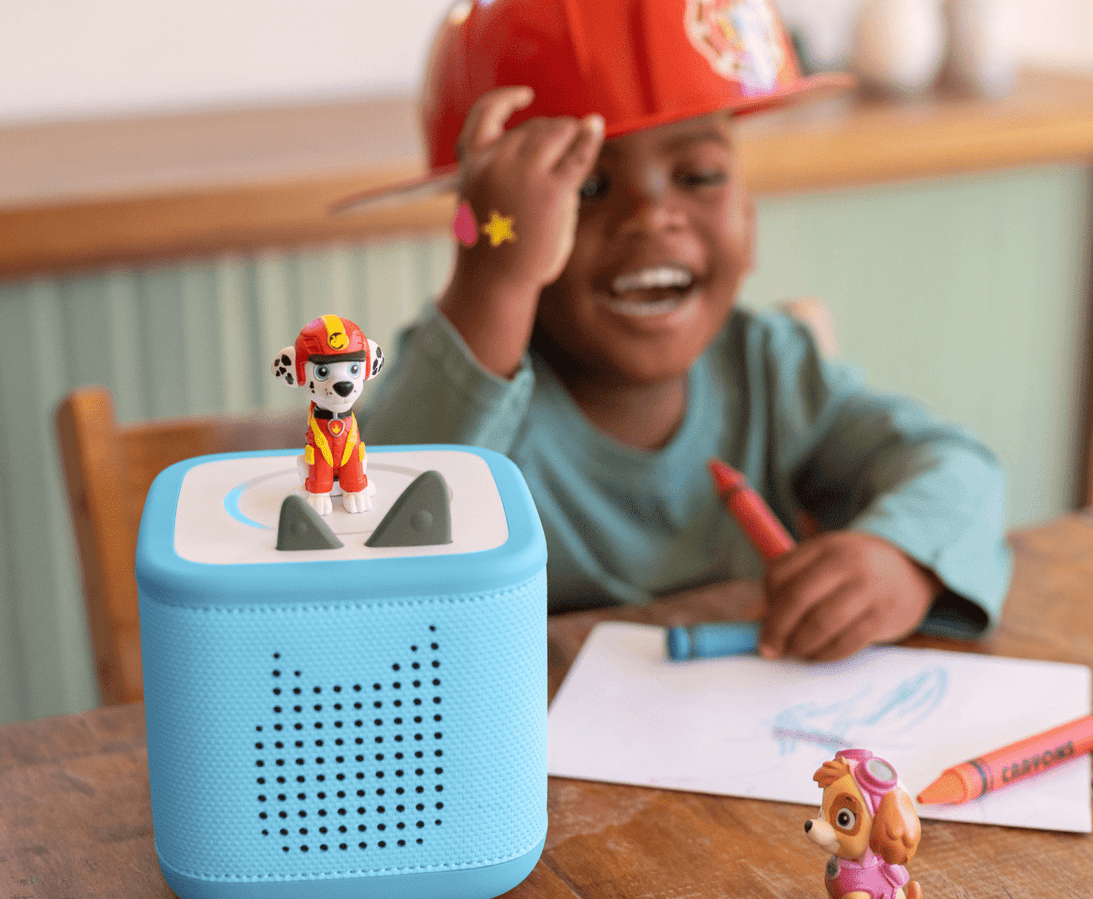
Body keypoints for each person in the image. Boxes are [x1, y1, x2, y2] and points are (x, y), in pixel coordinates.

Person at [363, 0, 1011, 661]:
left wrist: (901, 560)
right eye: (585, 187)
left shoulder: (771, 367)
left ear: (750, 224)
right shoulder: (470, 379)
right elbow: (374, 531)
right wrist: (492, 278)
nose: (651, 215)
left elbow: (956, 467)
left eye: (698, 176)